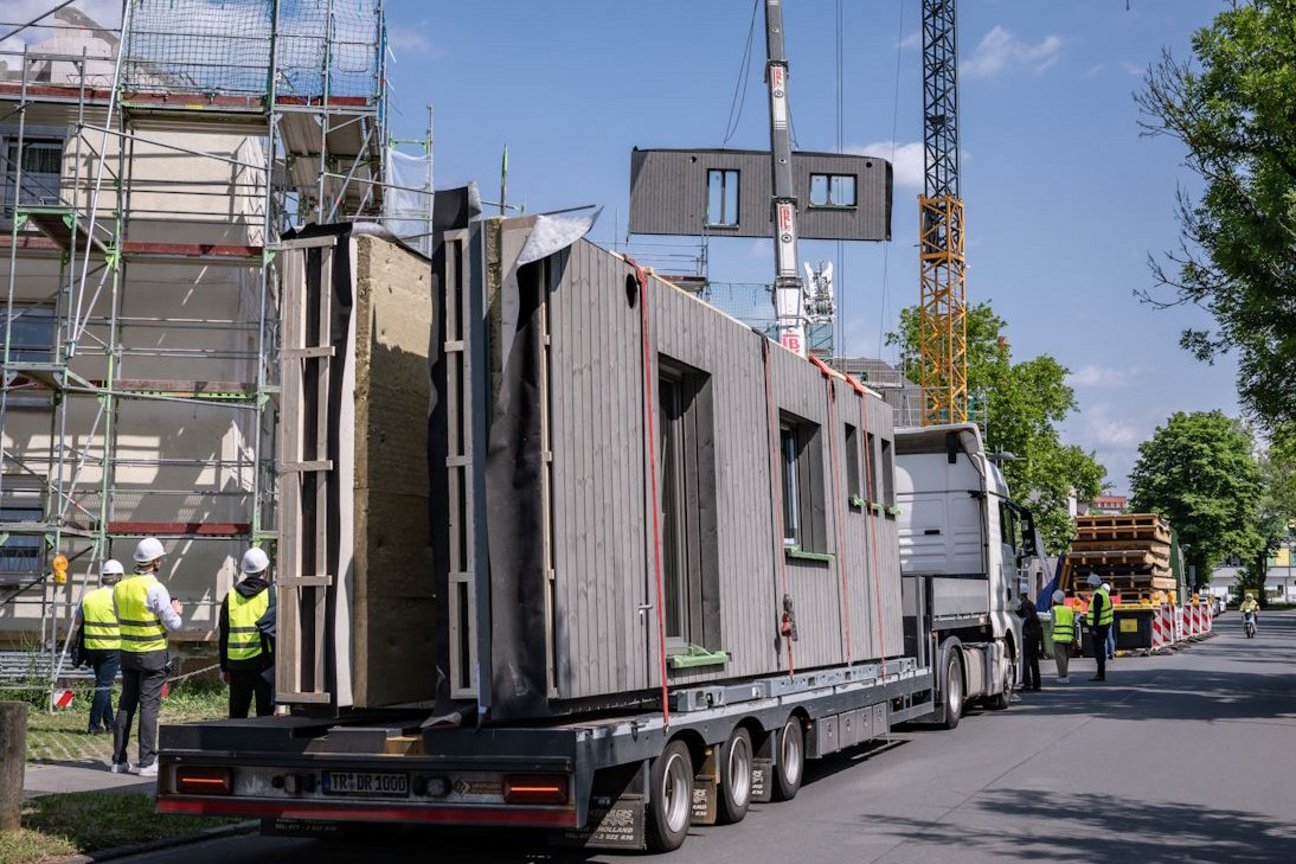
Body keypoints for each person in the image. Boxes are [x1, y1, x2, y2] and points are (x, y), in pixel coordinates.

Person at [111, 537, 182, 777]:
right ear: (155, 561)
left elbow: (123, 616)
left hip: (128, 653)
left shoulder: (121, 587)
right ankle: (147, 761)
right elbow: (173, 624)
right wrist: (176, 611)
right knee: (149, 708)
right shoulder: (156, 588)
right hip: (152, 655)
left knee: (125, 705)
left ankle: (118, 760)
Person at [219, 547, 276, 718]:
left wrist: (224, 667)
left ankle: (235, 745)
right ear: (265, 570)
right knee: (265, 716)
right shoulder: (271, 594)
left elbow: (224, 634)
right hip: (263, 664)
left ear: (244, 570)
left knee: (237, 715)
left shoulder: (231, 596)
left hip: (237, 665)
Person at [76, 560, 123, 734]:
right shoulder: (118, 598)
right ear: (119, 578)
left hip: (92, 646)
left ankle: (110, 724)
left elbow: (77, 620)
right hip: (112, 646)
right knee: (103, 686)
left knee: (103, 684)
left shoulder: (89, 596)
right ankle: (94, 725)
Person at [1085, 574, 1113, 682]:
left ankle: (1100, 674)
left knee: (1099, 651)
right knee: (1101, 649)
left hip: (1099, 628)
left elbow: (1096, 614)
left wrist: (1094, 629)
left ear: (1092, 585)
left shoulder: (1098, 595)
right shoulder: (1104, 594)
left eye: (1089, 585)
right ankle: (1100, 673)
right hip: (1105, 625)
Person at [1015, 592, 1042, 691]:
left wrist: (1022, 623)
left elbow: (1027, 617)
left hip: (1028, 635)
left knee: (1026, 660)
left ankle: (1027, 683)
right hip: (1035, 634)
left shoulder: (1025, 605)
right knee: (1034, 661)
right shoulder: (1031, 604)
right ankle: (1037, 684)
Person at [1050, 590, 1075, 683]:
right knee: (1065, 657)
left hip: (1058, 636)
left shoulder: (1054, 609)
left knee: (1060, 657)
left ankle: (1063, 676)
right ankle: (1064, 673)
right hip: (1068, 637)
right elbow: (1073, 623)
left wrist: (1051, 634)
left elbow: (1052, 624)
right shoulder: (1069, 609)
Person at [1102, 582, 1117, 660]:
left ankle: (1104, 655)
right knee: (1110, 637)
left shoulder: (1102, 599)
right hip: (1110, 620)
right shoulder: (1109, 599)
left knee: (1104, 638)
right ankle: (1112, 654)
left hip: (1103, 620)